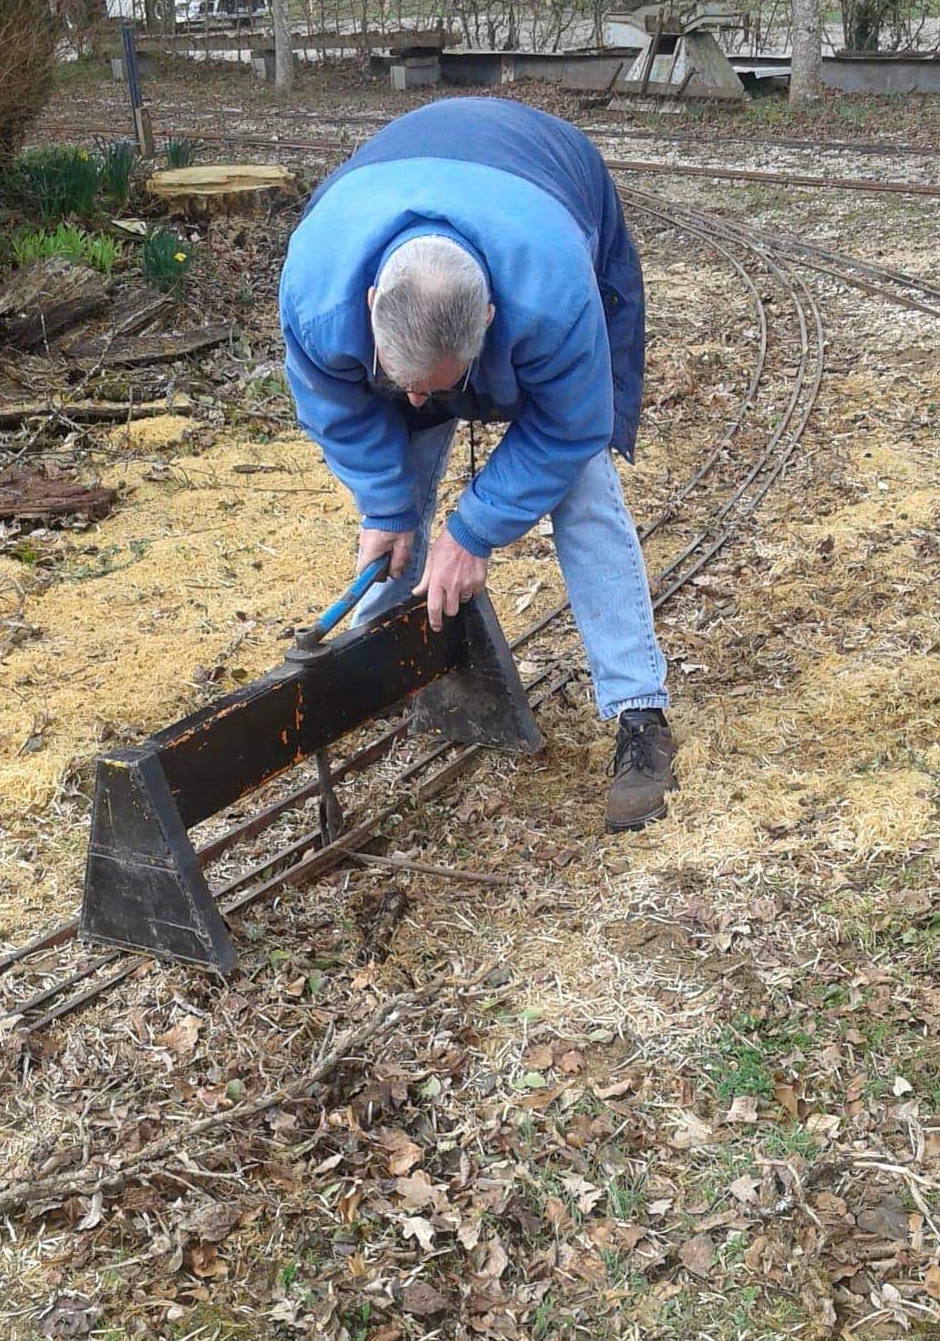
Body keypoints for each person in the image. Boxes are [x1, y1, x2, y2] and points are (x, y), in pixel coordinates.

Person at [278, 96, 674, 832]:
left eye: (442, 383)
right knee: (400, 461)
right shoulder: (317, 293)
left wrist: (473, 532)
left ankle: (640, 713)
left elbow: (569, 427)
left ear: (489, 320)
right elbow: (337, 406)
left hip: (548, 181)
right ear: (370, 304)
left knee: (584, 490)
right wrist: (386, 505)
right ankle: (384, 665)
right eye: (403, 380)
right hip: (400, 197)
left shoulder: (555, 296)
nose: (420, 399)